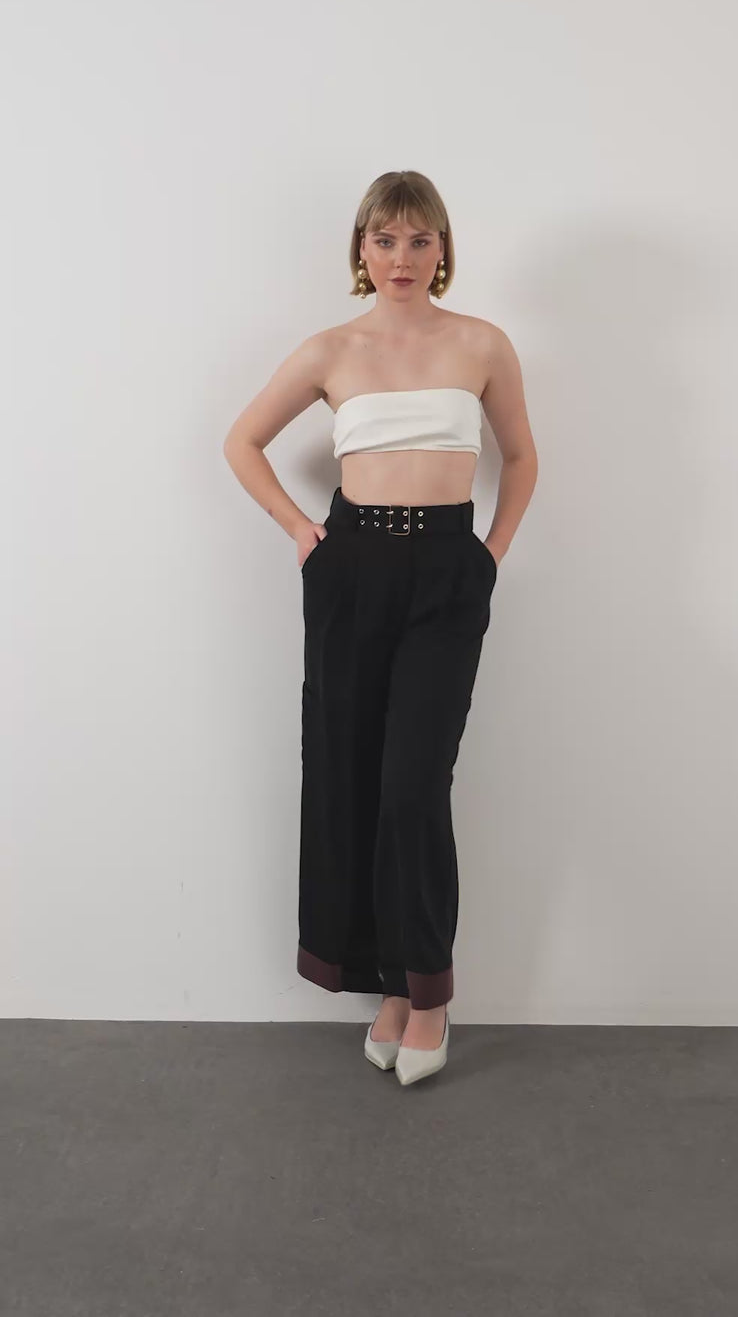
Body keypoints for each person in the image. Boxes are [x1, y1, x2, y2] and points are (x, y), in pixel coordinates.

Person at [223, 170, 538, 1084]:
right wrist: (300, 530)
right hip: (352, 569)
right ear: (362, 249)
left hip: (445, 573)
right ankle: (393, 987)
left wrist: (488, 555)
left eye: (419, 240)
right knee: (353, 776)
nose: (403, 257)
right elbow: (242, 440)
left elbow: (521, 456)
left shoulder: (482, 343)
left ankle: (429, 996)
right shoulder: (331, 349)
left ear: (443, 249)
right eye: (385, 239)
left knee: (413, 784)